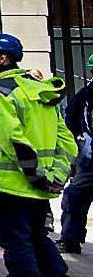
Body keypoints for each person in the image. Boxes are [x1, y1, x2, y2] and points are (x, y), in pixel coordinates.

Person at [0, 33, 77, 277]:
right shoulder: (39, 90)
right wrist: (54, 176)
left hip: (8, 184)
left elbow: (12, 140)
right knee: (38, 238)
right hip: (38, 185)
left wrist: (35, 176)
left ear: (2, 59)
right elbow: (66, 140)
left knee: (15, 241)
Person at [57, 54, 93, 254]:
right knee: (74, 198)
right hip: (89, 160)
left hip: (88, 158)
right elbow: (70, 118)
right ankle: (70, 239)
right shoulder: (86, 95)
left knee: (75, 197)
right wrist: (80, 141)